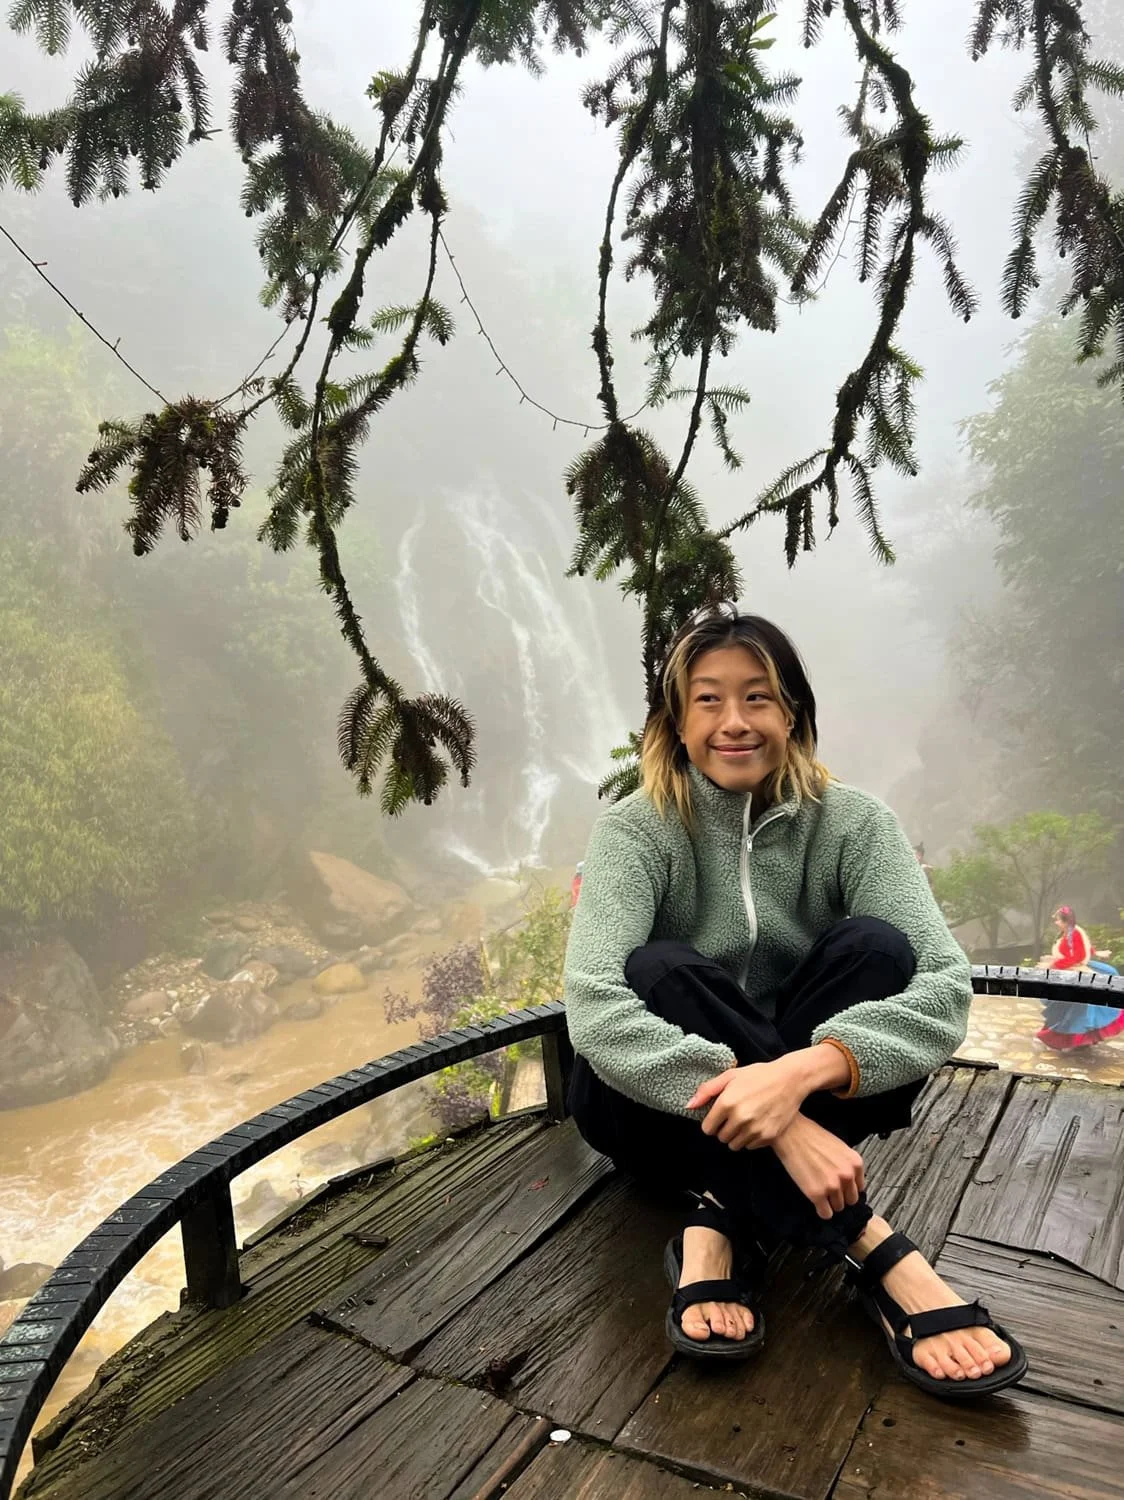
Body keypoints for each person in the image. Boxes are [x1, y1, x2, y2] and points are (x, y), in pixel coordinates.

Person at [563, 606, 1026, 1398]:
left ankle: (718, 1219)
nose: (734, 722)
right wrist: (776, 1118)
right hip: (647, 1118)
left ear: (794, 714)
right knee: (661, 968)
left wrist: (802, 1075)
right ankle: (871, 1241)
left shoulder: (852, 824)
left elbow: (946, 984)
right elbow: (595, 1001)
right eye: (708, 700)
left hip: (795, 1094)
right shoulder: (636, 832)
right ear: (676, 722)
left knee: (879, 947)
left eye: (759, 698)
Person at [1035, 905, 1124, 1050]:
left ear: (1065, 921)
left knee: (1076, 1004)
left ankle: (1074, 1039)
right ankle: (1072, 1038)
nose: (1056, 923)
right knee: (1063, 1004)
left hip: (1075, 970)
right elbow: (1080, 948)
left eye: (1057, 920)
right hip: (1068, 968)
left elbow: (1078, 954)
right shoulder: (1067, 932)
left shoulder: (1075, 932)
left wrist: (1055, 965)